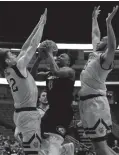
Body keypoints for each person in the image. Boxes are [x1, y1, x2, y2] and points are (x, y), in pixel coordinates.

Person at [0, 8, 47, 155]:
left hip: (22, 113)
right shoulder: (19, 66)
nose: (14, 54)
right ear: (7, 60)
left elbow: (25, 46)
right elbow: (32, 45)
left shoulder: (9, 70)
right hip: (28, 114)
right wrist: (43, 25)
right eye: (11, 54)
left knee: (33, 149)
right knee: (32, 152)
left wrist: (37, 24)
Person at [78, 6, 118, 155]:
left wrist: (109, 23)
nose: (100, 39)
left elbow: (113, 46)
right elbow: (95, 34)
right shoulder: (95, 53)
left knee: (101, 148)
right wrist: (94, 18)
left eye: (104, 39)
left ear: (107, 46)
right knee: (98, 148)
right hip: (87, 104)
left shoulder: (105, 60)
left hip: (96, 105)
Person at [30, 40, 75, 155]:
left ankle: (61, 149)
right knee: (41, 138)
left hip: (63, 111)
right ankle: (65, 149)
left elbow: (57, 71)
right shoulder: (49, 73)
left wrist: (49, 52)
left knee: (54, 141)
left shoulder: (69, 71)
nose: (59, 56)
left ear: (68, 61)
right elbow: (32, 76)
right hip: (52, 110)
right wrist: (39, 58)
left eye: (62, 56)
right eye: (58, 55)